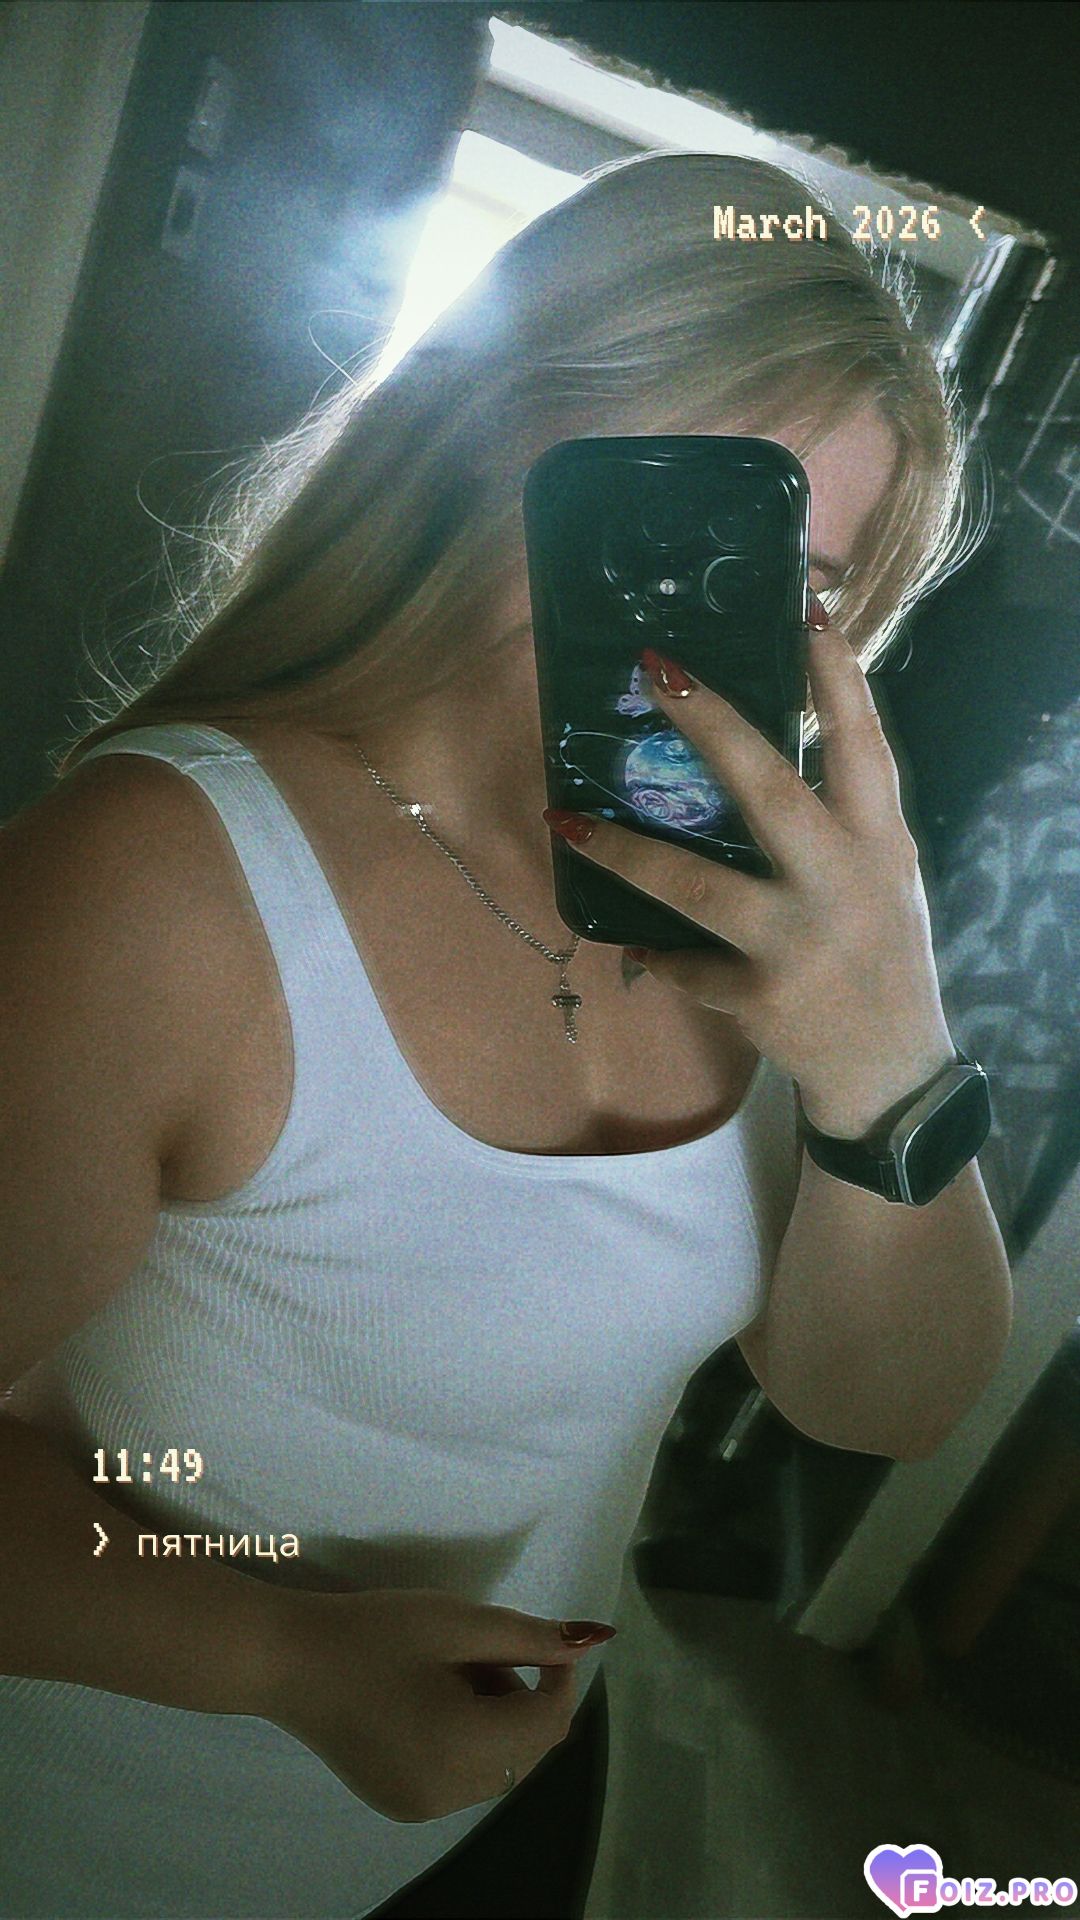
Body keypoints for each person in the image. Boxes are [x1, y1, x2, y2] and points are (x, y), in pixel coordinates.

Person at [0, 150, 1012, 1919]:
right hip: (102, 1840)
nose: (690, 628)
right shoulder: (160, 888)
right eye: (658, 513)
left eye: (797, 581)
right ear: (482, 439)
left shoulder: (779, 918)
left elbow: (888, 1403)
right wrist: (282, 1659)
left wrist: (887, 1052)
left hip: (506, 1812)